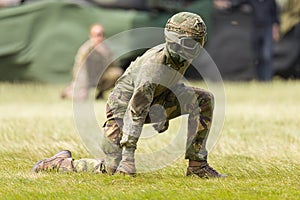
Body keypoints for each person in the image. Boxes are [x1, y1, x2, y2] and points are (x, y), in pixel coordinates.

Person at [32, 12, 226, 178]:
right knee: (110, 168)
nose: (197, 47)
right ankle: (59, 163)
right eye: (192, 42)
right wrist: (128, 157)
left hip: (152, 102)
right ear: (174, 42)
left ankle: (197, 166)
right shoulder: (154, 67)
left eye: (199, 41)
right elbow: (136, 110)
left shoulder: (179, 55)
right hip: (122, 110)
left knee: (203, 100)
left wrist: (162, 113)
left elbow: (171, 81)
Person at [214, 0, 280, 81]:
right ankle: (260, 79)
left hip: (267, 29)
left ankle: (267, 79)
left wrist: (275, 30)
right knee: (257, 56)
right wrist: (227, 4)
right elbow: (238, 3)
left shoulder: (270, 1)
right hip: (256, 28)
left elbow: (275, 16)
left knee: (266, 55)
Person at [61, 24, 123, 100]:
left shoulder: (106, 49)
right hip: (85, 79)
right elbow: (78, 69)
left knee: (116, 73)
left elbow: (113, 65)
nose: (99, 38)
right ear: (91, 36)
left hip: (99, 77)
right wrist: (82, 86)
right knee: (82, 97)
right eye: (96, 35)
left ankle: (101, 93)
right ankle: (68, 92)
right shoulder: (85, 49)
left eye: (101, 34)